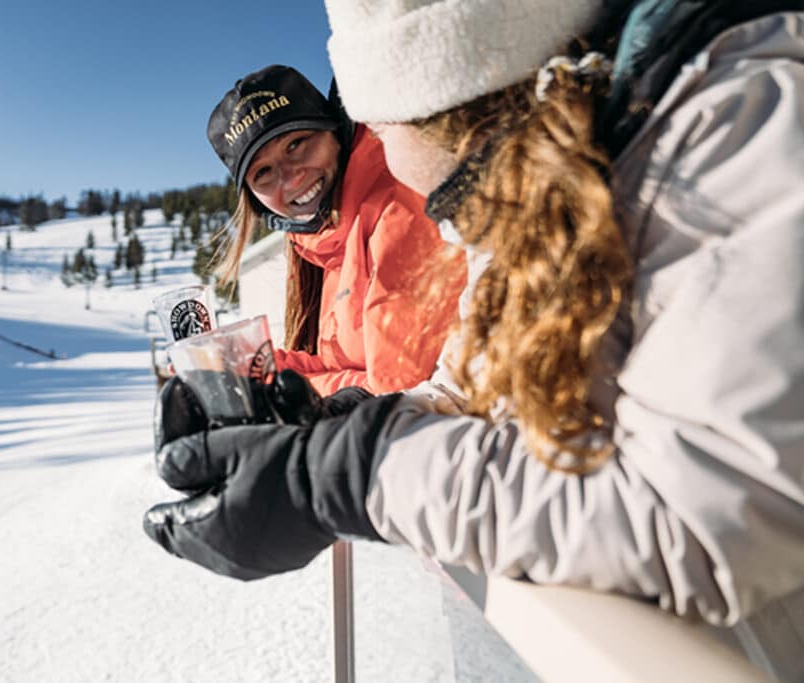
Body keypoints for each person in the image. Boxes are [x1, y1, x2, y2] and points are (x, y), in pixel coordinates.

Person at [146, 1, 804, 678]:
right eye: (264, 173)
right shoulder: (549, 164)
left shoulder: (736, 119)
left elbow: (717, 518)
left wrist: (342, 471)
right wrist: (329, 425)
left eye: (379, 124)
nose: (390, 159)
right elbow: (474, 382)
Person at [206, 65, 466, 396]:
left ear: (336, 131)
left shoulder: (399, 211)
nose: (290, 178)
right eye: (264, 173)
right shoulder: (328, 245)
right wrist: (244, 367)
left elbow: (400, 394)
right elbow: (343, 369)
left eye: (296, 143)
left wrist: (283, 391)